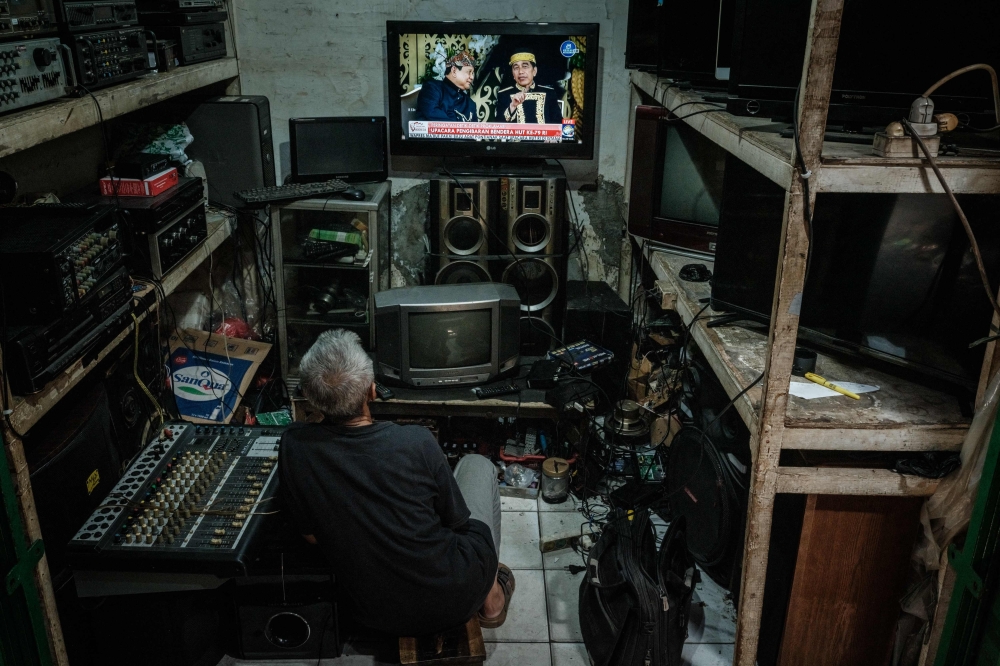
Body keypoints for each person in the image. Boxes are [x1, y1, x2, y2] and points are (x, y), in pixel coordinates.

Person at [278, 329, 515, 636]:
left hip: (372, 614)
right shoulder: (416, 441)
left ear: (310, 397)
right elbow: (456, 521)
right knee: (476, 465)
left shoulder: (294, 446)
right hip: (454, 600)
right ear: (372, 390)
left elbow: (311, 537)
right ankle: (492, 599)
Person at [495, 52, 563, 124]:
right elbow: (499, 127)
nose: (520, 71)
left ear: (534, 71)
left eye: (525, 66)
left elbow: (558, 124)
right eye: (516, 68)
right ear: (513, 74)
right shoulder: (504, 94)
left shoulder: (549, 93)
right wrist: (513, 106)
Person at [415, 50, 479, 122]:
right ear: (454, 71)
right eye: (469, 72)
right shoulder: (432, 89)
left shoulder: (470, 104)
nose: (472, 77)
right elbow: (433, 116)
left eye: (473, 73)